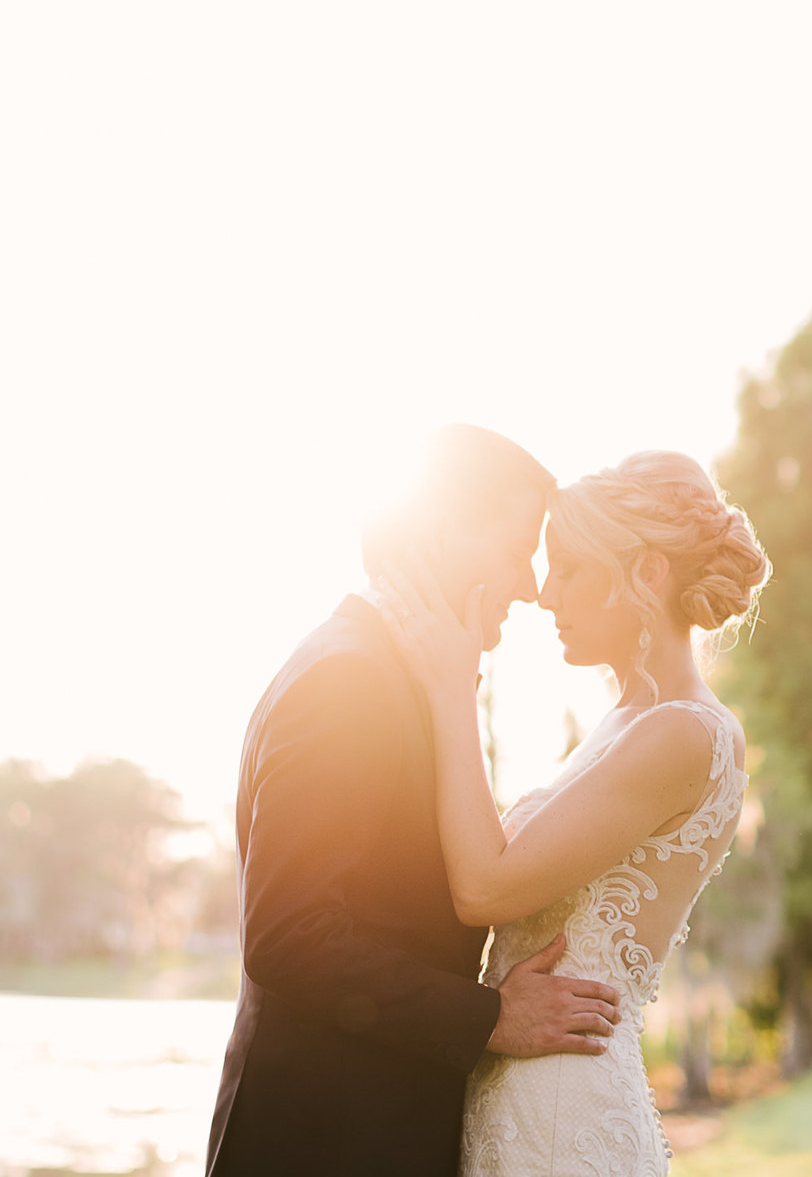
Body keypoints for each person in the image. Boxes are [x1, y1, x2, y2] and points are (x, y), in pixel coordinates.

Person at [209, 424, 623, 1177]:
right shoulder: (348, 678)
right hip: (319, 1145)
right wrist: (492, 1017)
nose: (530, 585)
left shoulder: (402, 675)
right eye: (514, 549)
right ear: (438, 532)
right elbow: (289, 933)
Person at [374, 449, 766, 1176]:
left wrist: (452, 689)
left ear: (647, 573)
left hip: (562, 1116)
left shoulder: (683, 733)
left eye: (571, 569)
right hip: (518, 1089)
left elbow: (485, 887)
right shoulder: (624, 723)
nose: (546, 595)